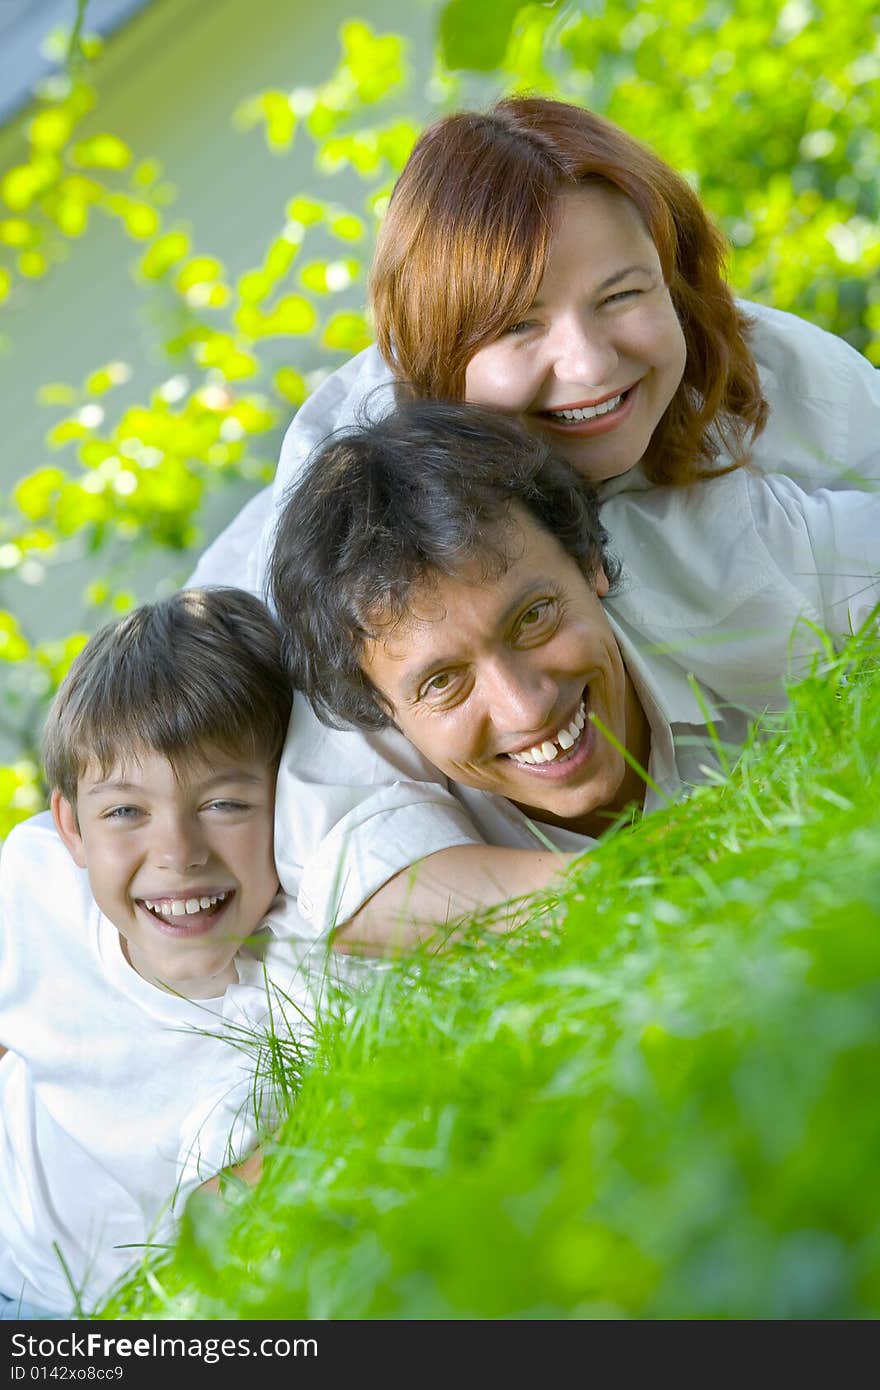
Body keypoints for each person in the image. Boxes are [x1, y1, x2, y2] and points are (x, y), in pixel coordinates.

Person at [187, 96, 880, 946]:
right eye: (519, 327)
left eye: (623, 295)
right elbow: (348, 864)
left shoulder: (767, 377)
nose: (589, 364)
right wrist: (652, 886)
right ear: (433, 355)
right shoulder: (352, 526)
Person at [267, 401, 880, 949]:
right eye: (443, 682)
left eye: (533, 618)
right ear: (384, 714)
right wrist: (634, 888)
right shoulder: (368, 778)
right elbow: (345, 886)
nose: (525, 708)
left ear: (590, 564)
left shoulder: (730, 557)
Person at [0, 588, 319, 1320]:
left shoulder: (309, 978)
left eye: (224, 804)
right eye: (124, 812)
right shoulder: (37, 881)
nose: (177, 854)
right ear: (71, 828)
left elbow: (223, 1221)